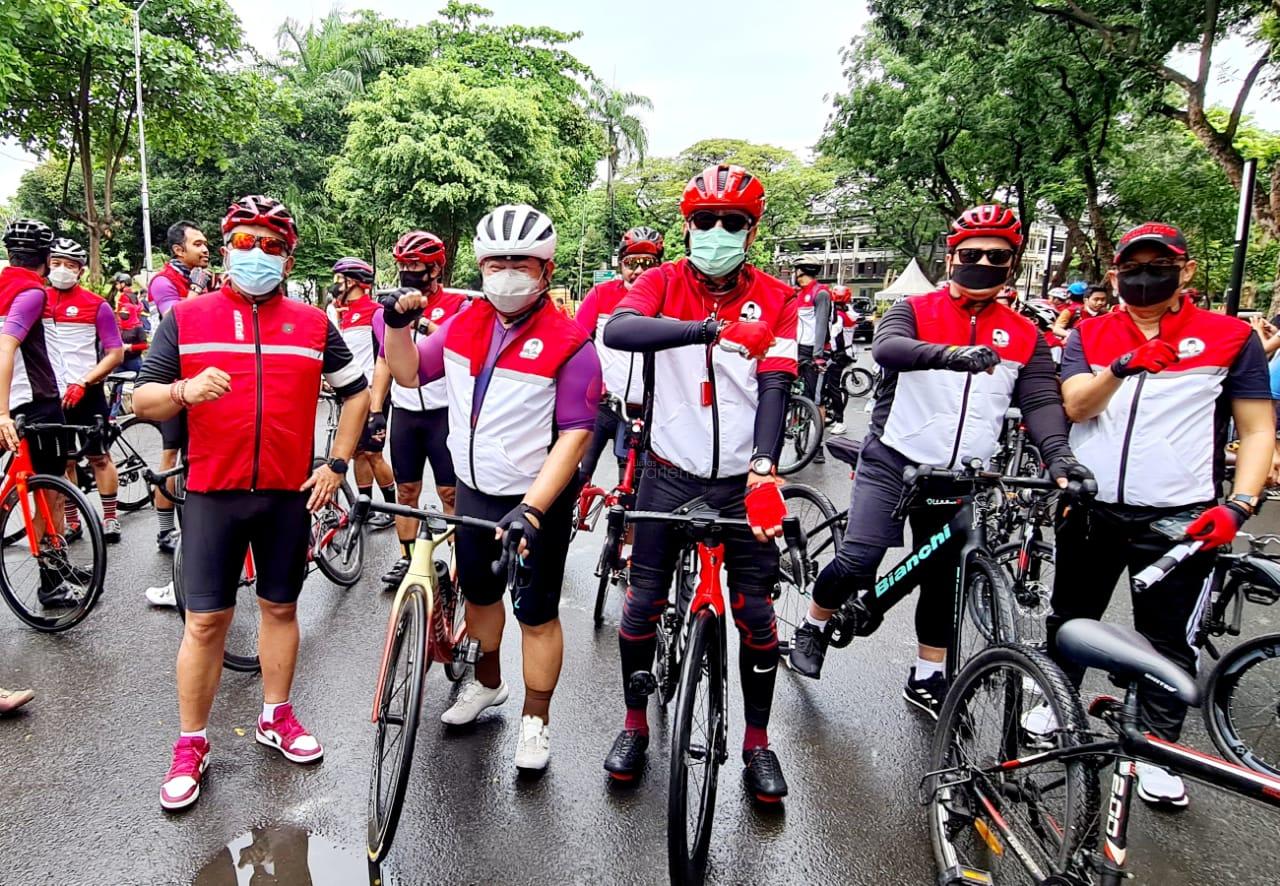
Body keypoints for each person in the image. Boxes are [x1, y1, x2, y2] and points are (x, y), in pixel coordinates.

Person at [787, 204, 1094, 714]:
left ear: (1013, 264)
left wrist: (1060, 458)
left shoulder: (1025, 333)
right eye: (971, 254)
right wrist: (949, 355)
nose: (983, 263)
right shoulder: (916, 309)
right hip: (895, 460)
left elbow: (1040, 400)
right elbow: (888, 349)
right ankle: (815, 623)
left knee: (943, 576)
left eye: (997, 257)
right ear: (951, 258)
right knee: (859, 560)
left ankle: (928, 672)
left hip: (959, 475)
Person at [135, 195, 370, 811]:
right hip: (214, 493)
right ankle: (191, 743)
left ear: (288, 257)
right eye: (246, 242)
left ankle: (275, 715)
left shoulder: (315, 325)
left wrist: (337, 464)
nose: (258, 254)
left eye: (272, 245)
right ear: (227, 245)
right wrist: (185, 389)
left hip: (285, 496)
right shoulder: (186, 317)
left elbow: (356, 396)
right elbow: (143, 401)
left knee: (281, 610)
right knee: (206, 622)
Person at [1032, 222, 1274, 808]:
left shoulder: (1230, 336)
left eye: (1158, 265)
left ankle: (1159, 749)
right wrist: (1124, 365)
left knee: (1169, 637)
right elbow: (1075, 405)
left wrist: (1239, 504)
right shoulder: (1089, 333)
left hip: (1180, 513)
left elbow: (1258, 427)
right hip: (1091, 503)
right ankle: (1057, 699)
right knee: (1071, 613)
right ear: (1114, 274)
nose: (1145, 277)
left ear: (1185, 270)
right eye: (1132, 267)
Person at [599, 164, 797, 800]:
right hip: (666, 471)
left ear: (750, 230)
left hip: (742, 476)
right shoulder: (659, 281)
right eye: (704, 221)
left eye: (731, 223)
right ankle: (634, 725)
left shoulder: (779, 294)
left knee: (757, 616)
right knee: (641, 606)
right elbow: (620, 330)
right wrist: (713, 329)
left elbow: (776, 384)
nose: (717, 231)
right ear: (688, 226)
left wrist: (766, 468)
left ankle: (757, 742)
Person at [382, 204, 601, 772]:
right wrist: (397, 327)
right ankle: (486, 685)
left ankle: (536, 719)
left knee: (536, 614)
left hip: (535, 503)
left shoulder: (572, 342)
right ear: (480, 264)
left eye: (520, 262)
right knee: (480, 599)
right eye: (496, 261)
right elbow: (409, 374)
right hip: (474, 493)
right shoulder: (464, 323)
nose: (507, 272)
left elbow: (576, 437)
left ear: (545, 270)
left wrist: (532, 509)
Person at [376, 231, 469, 589]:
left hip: (444, 413)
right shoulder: (392, 305)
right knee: (407, 491)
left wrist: (421, 321)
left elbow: (456, 340)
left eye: (415, 266)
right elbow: (384, 360)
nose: (408, 272)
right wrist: (375, 409)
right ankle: (407, 558)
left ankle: (460, 562)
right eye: (403, 266)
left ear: (435, 270)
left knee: (451, 494)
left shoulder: (459, 303)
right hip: (406, 412)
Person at [0, 219, 82, 607]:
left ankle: (60, 565)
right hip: (35, 403)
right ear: (48, 260)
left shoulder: (3, 287)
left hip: (17, 401)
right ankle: (51, 580)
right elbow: (7, 346)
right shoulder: (32, 292)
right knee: (49, 492)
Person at [44, 237, 126, 543]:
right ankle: (72, 520)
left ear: (80, 270)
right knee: (63, 461)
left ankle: (109, 518)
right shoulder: (38, 300)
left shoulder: (97, 305)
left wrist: (84, 381)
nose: (62, 269)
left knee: (99, 457)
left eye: (70, 265)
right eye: (56, 263)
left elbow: (115, 353)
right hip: (52, 395)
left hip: (86, 391)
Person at [575, 226, 664, 487]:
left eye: (647, 264)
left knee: (632, 488)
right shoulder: (602, 294)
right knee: (577, 474)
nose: (638, 271)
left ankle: (625, 527)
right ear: (620, 264)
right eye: (631, 263)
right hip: (602, 404)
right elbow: (576, 341)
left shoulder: (666, 299)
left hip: (643, 410)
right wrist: (591, 380)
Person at [147, 220, 212, 559]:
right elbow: (179, 318)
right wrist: (198, 290)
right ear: (178, 250)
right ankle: (164, 531)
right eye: (198, 244)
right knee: (172, 456)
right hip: (173, 381)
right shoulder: (163, 282)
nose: (205, 249)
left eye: (206, 244)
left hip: (204, 383)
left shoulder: (198, 278)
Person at [330, 257, 396, 531]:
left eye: (338, 279)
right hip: (350, 394)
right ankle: (365, 506)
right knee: (358, 454)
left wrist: (377, 404)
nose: (334, 285)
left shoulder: (376, 312)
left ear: (353, 281)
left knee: (373, 454)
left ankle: (391, 508)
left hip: (373, 394)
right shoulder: (341, 313)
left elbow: (388, 357)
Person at [793, 260, 832, 462]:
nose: (794, 274)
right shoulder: (797, 294)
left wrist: (818, 356)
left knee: (816, 401)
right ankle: (797, 432)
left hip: (814, 353)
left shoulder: (821, 293)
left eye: (795, 271)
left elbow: (821, 327)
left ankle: (817, 446)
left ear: (801, 271)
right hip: (797, 350)